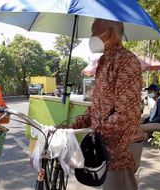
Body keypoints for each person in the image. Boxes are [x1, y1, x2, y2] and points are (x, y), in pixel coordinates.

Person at [62, 18, 144, 190]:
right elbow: (96, 109)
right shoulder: (103, 62)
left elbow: (126, 115)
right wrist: (69, 127)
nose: (91, 37)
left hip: (120, 152)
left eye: (94, 33)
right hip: (104, 149)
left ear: (111, 33)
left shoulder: (127, 61)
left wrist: (96, 132)